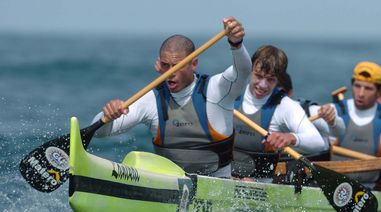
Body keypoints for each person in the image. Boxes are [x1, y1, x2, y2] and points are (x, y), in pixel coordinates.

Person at [92, 17, 252, 178]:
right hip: (172, 185)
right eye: (165, 65)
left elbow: (243, 71)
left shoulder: (217, 90)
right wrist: (108, 115)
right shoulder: (151, 100)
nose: (170, 72)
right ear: (159, 65)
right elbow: (99, 133)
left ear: (193, 64)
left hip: (218, 183)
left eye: (177, 66)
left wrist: (236, 45)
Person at [231, 46, 327, 181]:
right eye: (258, 76)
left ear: (279, 79)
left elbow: (318, 142)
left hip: (260, 183)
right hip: (225, 175)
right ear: (250, 69)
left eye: (270, 79)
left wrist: (291, 137)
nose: (263, 85)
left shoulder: (285, 106)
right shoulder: (231, 93)